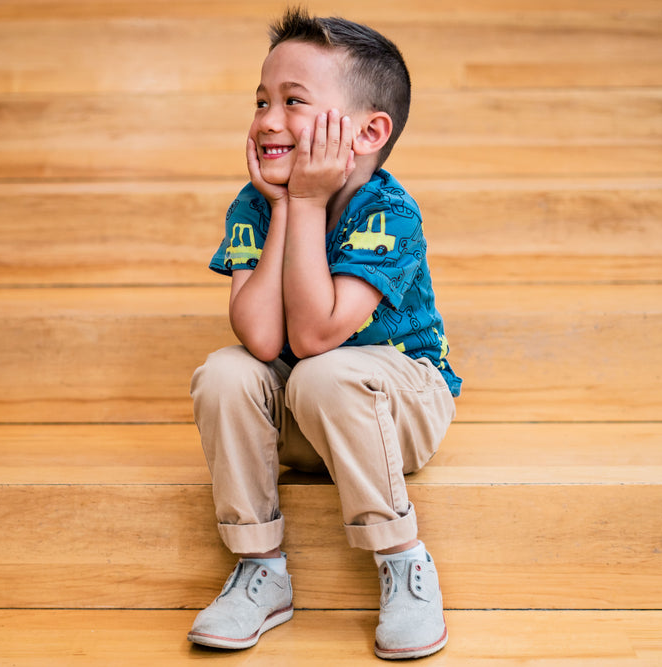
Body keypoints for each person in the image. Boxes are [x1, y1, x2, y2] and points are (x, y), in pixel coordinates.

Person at [187, 7, 462, 660]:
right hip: (311, 415)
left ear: (369, 132)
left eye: (293, 101)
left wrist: (309, 203)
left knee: (324, 370)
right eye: (261, 100)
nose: (268, 120)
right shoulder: (255, 204)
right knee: (224, 370)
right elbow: (259, 336)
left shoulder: (389, 213)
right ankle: (262, 568)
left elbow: (313, 336)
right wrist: (287, 205)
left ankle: (402, 558)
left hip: (399, 407)